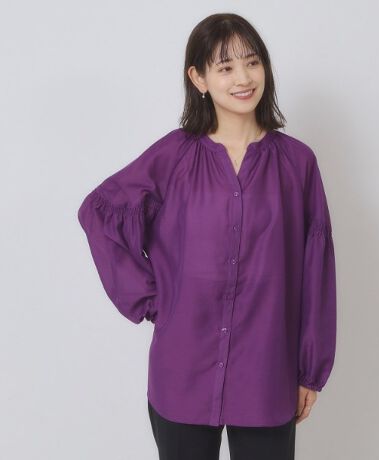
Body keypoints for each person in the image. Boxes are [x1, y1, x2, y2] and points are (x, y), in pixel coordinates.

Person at [77, 12, 337, 460]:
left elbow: (316, 269)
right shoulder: (173, 157)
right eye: (226, 67)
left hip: (266, 370)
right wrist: (152, 299)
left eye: (252, 62)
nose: (243, 78)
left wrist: (310, 370)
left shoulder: (297, 164)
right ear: (198, 78)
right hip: (183, 371)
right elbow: (100, 213)